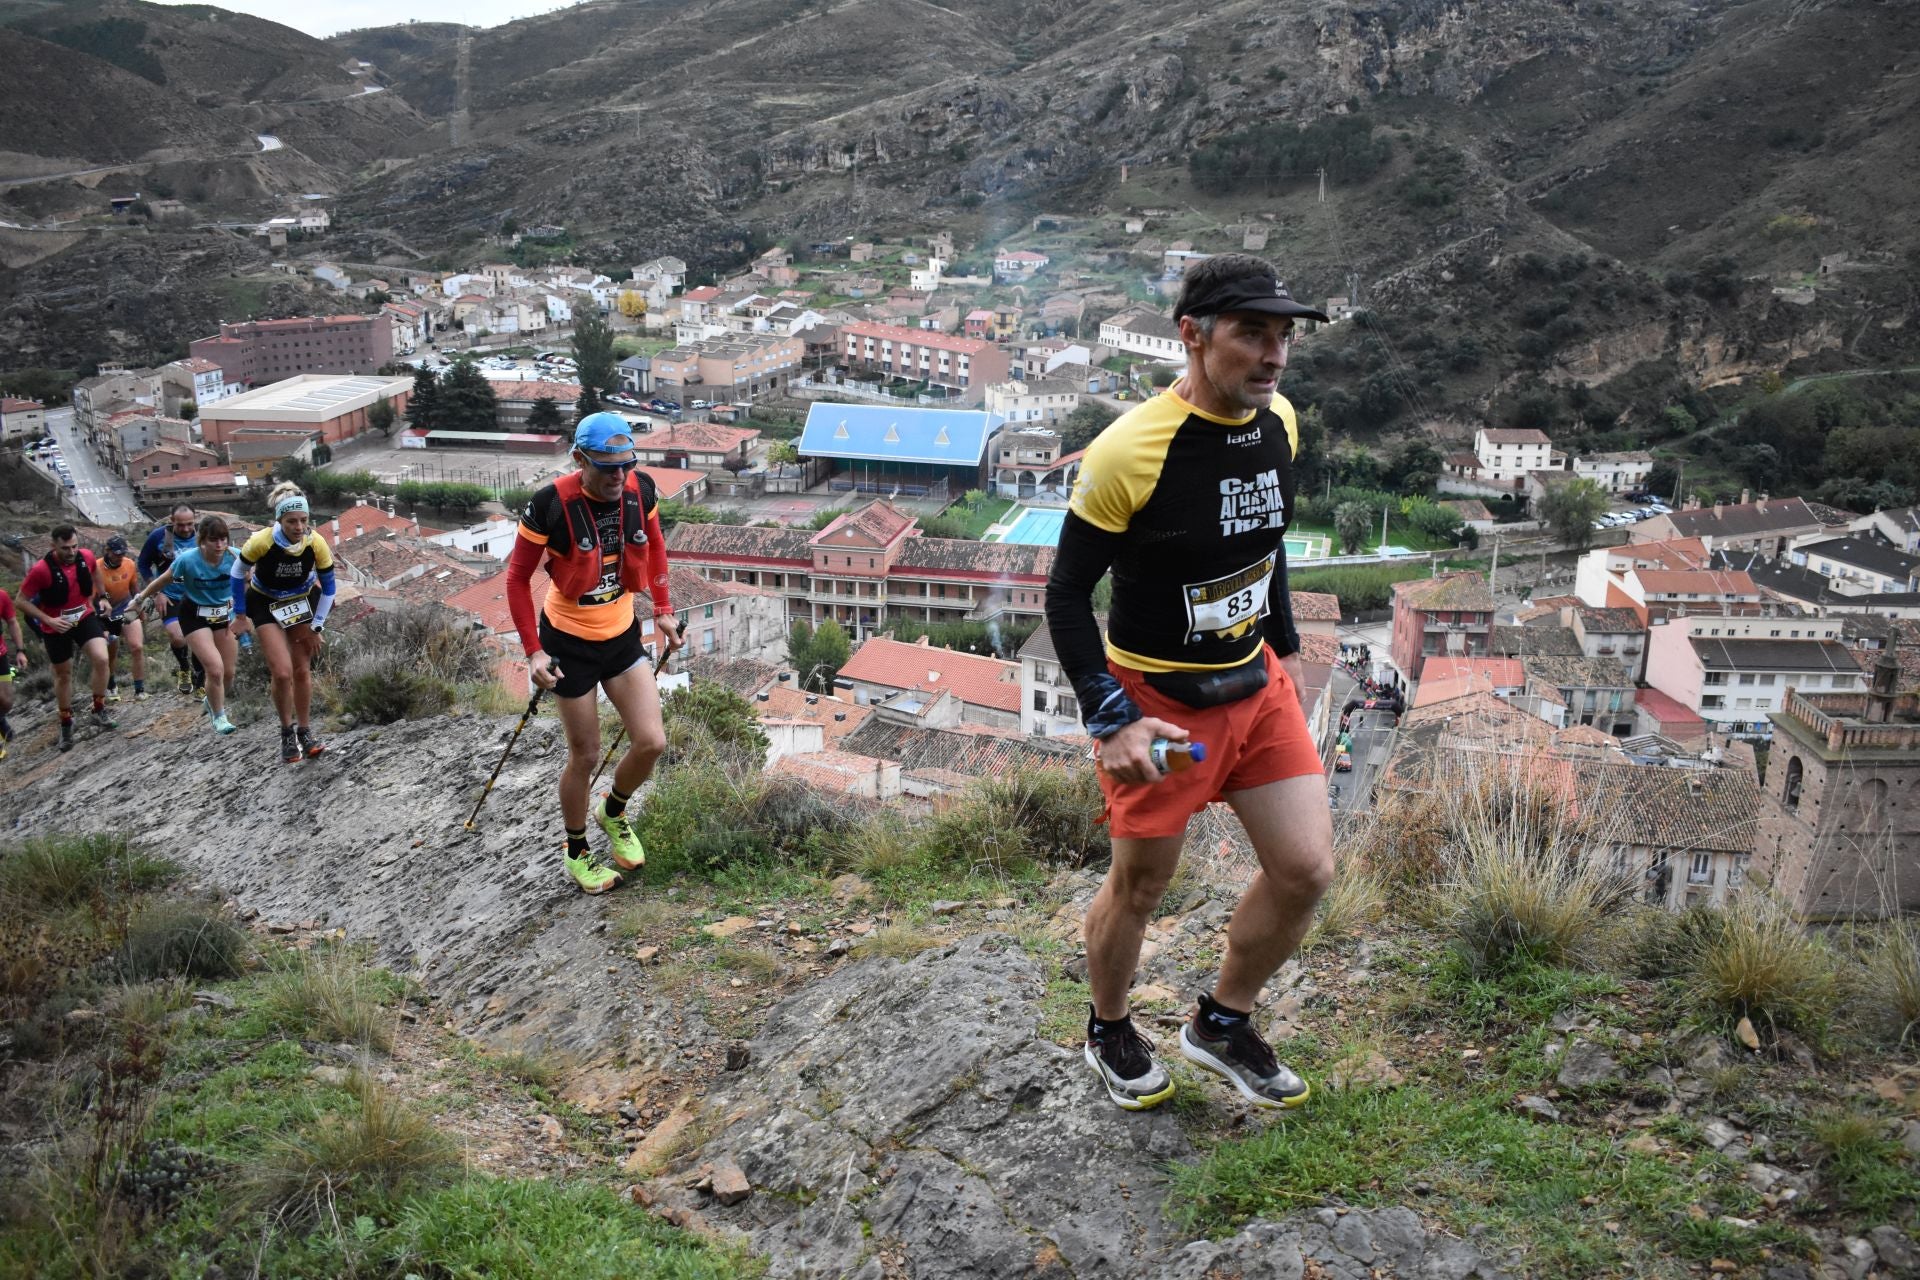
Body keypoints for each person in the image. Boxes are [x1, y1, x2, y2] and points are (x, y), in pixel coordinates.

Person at [1044, 254, 1336, 1112]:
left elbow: (1266, 542)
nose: (1273, 354)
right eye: (1252, 333)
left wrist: (1278, 640)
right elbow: (1066, 594)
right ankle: (1108, 1028)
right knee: (1141, 886)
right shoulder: (1128, 450)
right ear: (1194, 337)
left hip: (1255, 687)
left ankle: (1221, 1023)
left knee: (1306, 869)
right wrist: (1112, 719)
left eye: (1283, 336)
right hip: (1160, 707)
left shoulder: (1280, 420)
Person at [504, 411, 681, 894]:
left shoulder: (640, 491)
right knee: (585, 755)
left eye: (625, 465)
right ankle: (577, 850)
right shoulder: (549, 505)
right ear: (579, 459)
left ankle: (614, 812)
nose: (617, 476)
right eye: (606, 467)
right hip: (568, 643)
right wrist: (534, 653)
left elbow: (657, 546)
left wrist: (662, 608)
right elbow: (518, 579)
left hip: (621, 633)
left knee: (651, 742)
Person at [236, 482, 336, 762]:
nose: (299, 526)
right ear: (279, 520)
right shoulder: (262, 541)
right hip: (265, 602)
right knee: (281, 673)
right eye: (292, 521)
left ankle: (305, 731)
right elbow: (236, 573)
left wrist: (317, 626)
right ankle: (286, 732)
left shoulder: (316, 543)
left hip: (301, 601)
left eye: (304, 520)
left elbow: (329, 589)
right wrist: (240, 616)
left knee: (302, 670)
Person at [121, 515, 241, 735]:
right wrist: (138, 600)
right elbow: (162, 580)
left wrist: (245, 609)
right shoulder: (188, 559)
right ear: (202, 540)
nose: (219, 545)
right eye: (214, 540)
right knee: (215, 669)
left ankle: (210, 700)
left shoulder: (235, 557)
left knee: (229, 674)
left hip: (224, 616)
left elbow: (253, 579)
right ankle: (219, 717)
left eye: (224, 539)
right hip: (194, 615)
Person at [18, 525, 115, 753]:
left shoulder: (87, 557)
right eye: (65, 548)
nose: (71, 552)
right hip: (56, 627)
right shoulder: (41, 570)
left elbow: (95, 574)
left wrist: (103, 597)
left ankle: (99, 708)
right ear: (53, 546)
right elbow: (20, 601)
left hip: (84, 617)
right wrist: (47, 621)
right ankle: (66, 722)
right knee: (63, 675)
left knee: (101, 659)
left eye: (74, 546)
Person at [139, 503, 204, 696]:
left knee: (200, 641)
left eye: (189, 524)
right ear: (172, 521)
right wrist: (156, 592)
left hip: (199, 595)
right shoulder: (158, 537)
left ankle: (201, 682)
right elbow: (143, 564)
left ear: (195, 520)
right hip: (170, 596)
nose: (185, 529)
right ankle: (184, 668)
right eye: (180, 525)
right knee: (178, 637)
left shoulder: (203, 535)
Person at [96, 534, 147, 701]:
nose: (120, 557)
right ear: (107, 551)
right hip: (105, 614)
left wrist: (139, 606)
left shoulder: (129, 564)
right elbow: (90, 597)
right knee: (111, 649)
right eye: (116, 553)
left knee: (137, 647)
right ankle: (111, 685)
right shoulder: (96, 567)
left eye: (122, 553)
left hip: (126, 608)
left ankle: (139, 690)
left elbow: (134, 587)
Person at [0, 585, 26, 761]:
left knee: (7, 701)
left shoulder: (2, 596)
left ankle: (0, 719)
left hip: (0, 655)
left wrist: (20, 650)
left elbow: (12, 622)